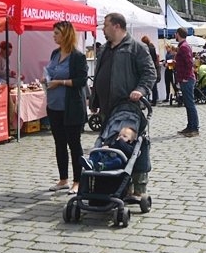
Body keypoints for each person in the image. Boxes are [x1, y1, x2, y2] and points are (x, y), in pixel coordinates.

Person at [90, 13, 156, 195]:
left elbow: (150, 73)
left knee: (132, 145)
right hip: (107, 109)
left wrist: (141, 90)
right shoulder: (104, 49)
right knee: (109, 145)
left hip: (129, 108)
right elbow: (99, 76)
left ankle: (138, 187)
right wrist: (94, 99)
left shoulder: (136, 48)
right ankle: (118, 185)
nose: (102, 29)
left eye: (105, 26)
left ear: (117, 26)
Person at [45, 21, 88, 195]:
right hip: (54, 106)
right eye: (53, 33)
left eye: (57, 33)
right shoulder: (55, 53)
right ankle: (63, 179)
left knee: (74, 145)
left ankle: (78, 181)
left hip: (71, 107)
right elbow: (50, 71)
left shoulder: (77, 56)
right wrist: (46, 79)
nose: (53, 36)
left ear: (66, 35)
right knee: (59, 144)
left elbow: (81, 81)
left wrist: (60, 82)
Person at [174, 27, 199, 136]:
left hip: (187, 79)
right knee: (188, 104)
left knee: (190, 104)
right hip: (185, 78)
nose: (174, 35)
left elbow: (189, 63)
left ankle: (194, 128)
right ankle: (190, 126)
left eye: (175, 34)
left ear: (178, 34)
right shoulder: (183, 46)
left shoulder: (184, 47)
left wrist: (185, 77)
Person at [141, 35, 161, 105]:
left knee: (146, 84)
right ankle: (154, 100)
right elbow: (155, 59)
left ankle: (146, 100)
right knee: (154, 85)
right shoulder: (152, 48)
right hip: (153, 67)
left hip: (147, 67)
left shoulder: (146, 49)